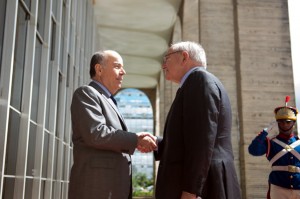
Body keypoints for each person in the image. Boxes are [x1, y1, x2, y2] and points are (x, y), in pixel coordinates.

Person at [154, 41, 241, 199]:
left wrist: (191, 190)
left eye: (166, 59)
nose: (163, 65)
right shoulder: (195, 83)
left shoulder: (199, 80)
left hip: (204, 188)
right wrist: (156, 143)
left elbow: (201, 140)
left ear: (184, 57)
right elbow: (189, 138)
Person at [68, 50, 157, 199]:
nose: (123, 72)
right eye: (117, 66)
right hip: (96, 189)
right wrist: (135, 139)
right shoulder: (86, 93)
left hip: (111, 188)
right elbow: (96, 133)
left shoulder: (109, 100)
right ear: (99, 69)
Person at [248, 96, 300, 199]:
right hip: (278, 187)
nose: (285, 124)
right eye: (281, 122)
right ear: (277, 123)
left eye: (288, 122)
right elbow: (253, 150)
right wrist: (265, 131)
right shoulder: (270, 143)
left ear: (293, 123)